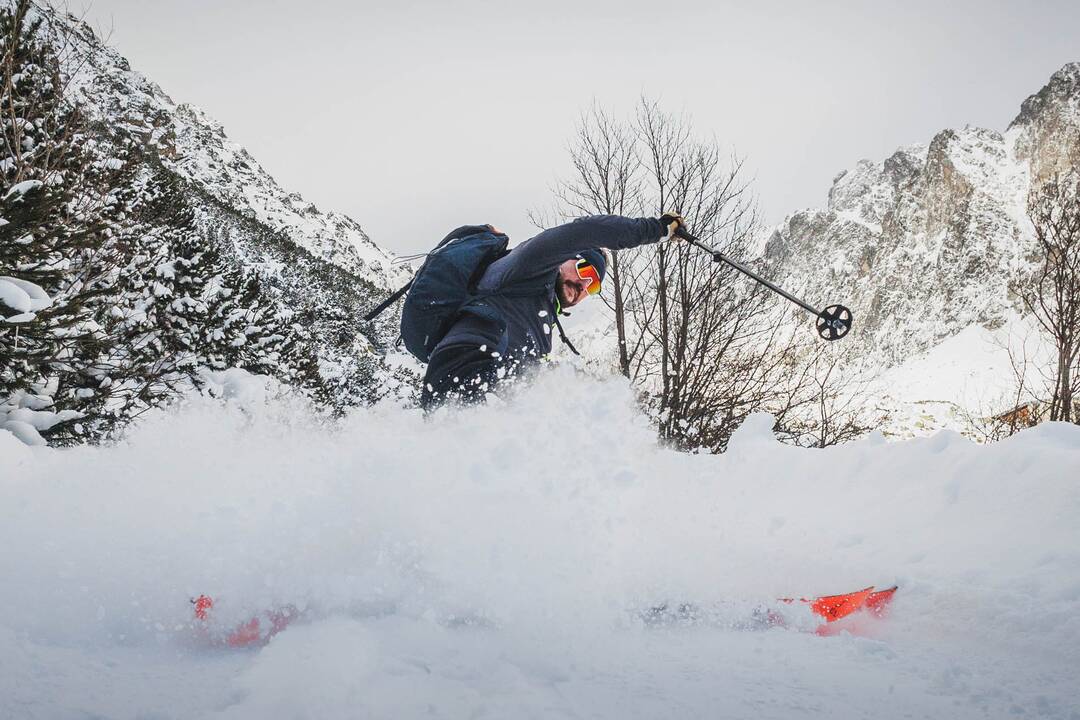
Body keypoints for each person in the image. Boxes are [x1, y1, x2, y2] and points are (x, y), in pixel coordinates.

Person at [420, 213, 685, 408]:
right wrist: (656, 230)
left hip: (488, 390)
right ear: (562, 260)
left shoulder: (539, 318)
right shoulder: (527, 267)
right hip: (471, 367)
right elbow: (584, 232)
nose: (584, 284)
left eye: (593, 285)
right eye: (584, 270)